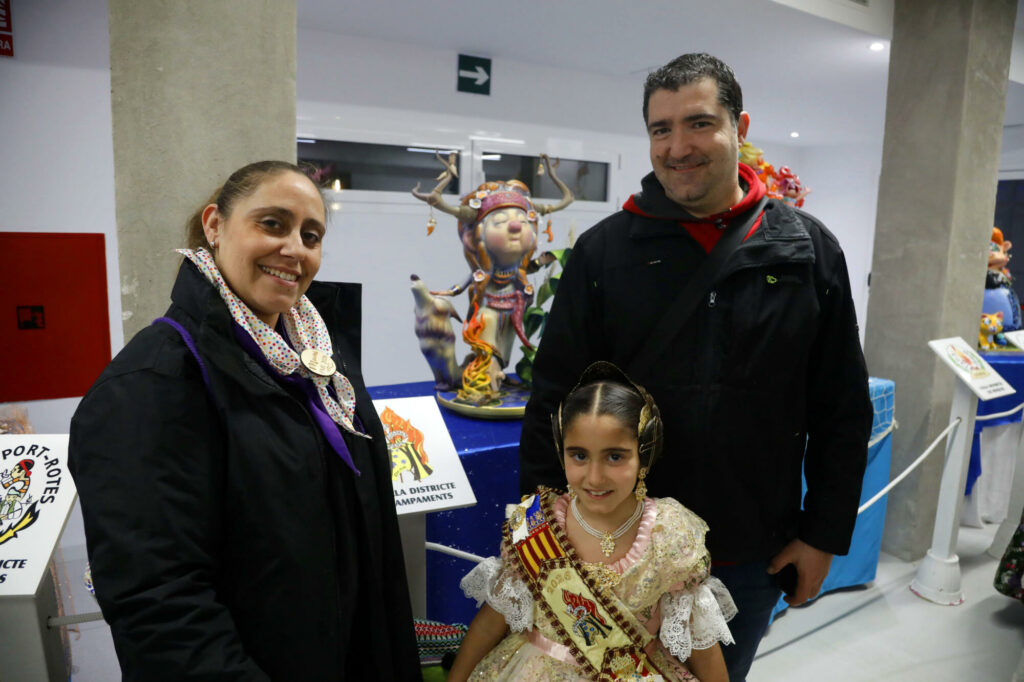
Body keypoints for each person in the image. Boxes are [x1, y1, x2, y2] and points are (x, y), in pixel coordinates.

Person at [519, 53, 873, 681]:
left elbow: (841, 407)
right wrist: (541, 530)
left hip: (748, 554)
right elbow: (554, 397)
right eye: (661, 129)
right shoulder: (605, 252)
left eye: (699, 123)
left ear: (740, 126)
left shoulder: (807, 250)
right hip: (614, 548)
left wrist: (822, 536)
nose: (678, 147)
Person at [69, 160, 422, 680]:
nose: (295, 249)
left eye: (311, 236)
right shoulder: (153, 384)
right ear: (215, 225)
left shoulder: (322, 361)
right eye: (273, 224)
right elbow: (161, 605)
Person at [450, 361, 735, 681]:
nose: (595, 477)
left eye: (615, 456)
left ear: (643, 456)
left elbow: (701, 645)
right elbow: (492, 622)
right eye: (579, 455)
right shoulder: (535, 524)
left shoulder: (670, 535)